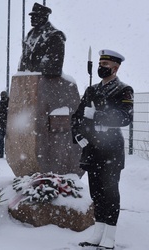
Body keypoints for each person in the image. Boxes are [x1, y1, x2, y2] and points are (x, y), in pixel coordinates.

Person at [71, 50, 133, 249]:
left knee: (110, 192)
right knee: (96, 193)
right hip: (91, 149)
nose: (101, 67)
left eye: (105, 64)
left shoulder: (123, 90)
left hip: (111, 149)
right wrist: (78, 136)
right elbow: (77, 116)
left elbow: (125, 117)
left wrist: (99, 114)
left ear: (115, 68)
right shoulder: (91, 90)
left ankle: (110, 235)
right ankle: (98, 233)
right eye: (100, 63)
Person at [18, 2, 66, 77]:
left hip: (45, 83)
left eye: (35, 15)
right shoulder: (29, 35)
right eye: (32, 15)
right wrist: (22, 75)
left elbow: (53, 67)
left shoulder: (55, 36)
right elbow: (23, 62)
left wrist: (34, 73)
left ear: (44, 17)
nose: (31, 18)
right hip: (28, 82)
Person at [0, 91, 9, 159]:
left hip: (5, 124)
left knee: (4, 140)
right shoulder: (0, 103)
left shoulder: (9, 103)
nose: (2, 97)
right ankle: (2, 153)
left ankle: (3, 153)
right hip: (3, 124)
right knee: (2, 140)